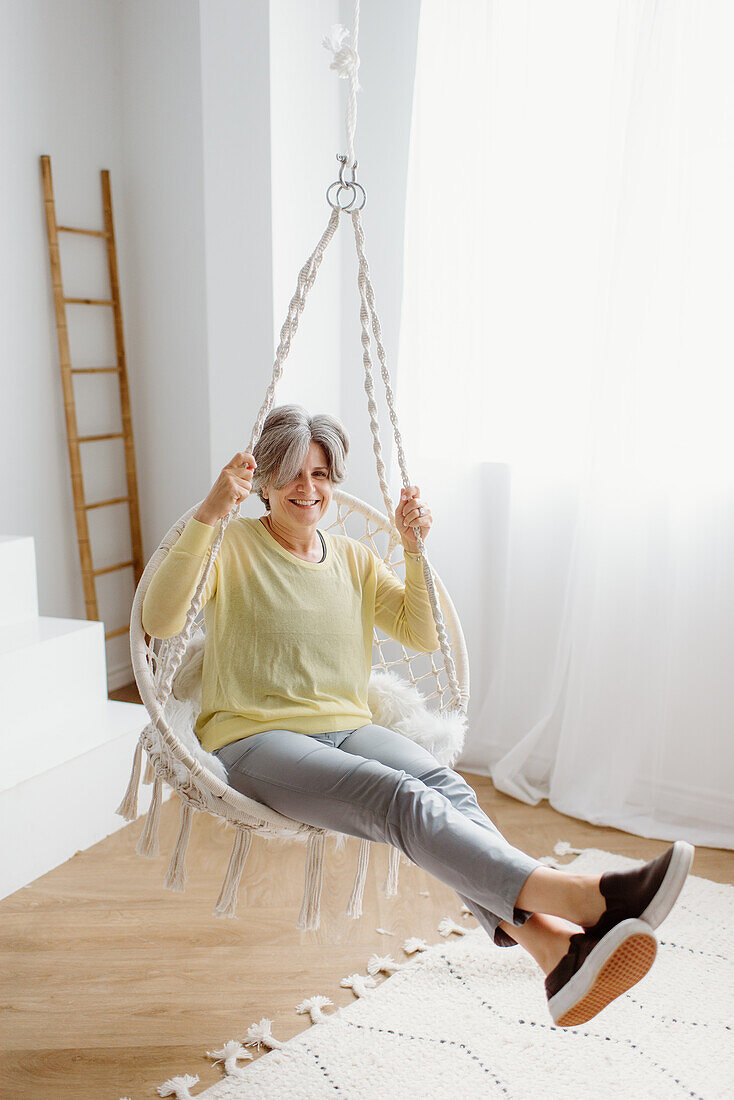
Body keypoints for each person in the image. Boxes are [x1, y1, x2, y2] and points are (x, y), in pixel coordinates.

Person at [142, 404, 694, 1028]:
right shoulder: (232, 544)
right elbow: (160, 622)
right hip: (255, 738)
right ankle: (586, 897)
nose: (307, 488)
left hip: (345, 725)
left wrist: (412, 550)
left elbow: (420, 633)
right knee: (399, 798)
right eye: (292, 473)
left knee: (444, 786)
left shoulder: (349, 558)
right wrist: (211, 512)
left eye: (321, 473)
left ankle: (555, 952)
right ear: (262, 480)